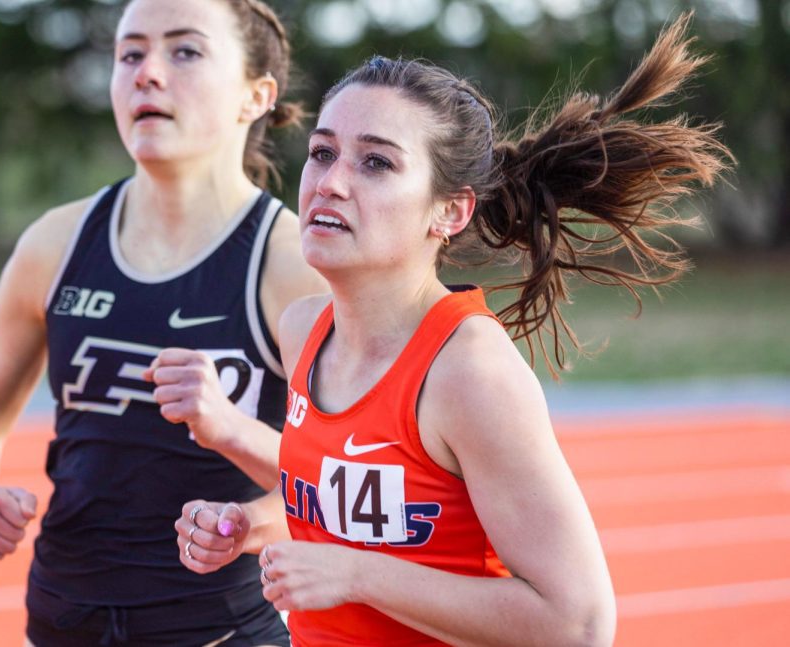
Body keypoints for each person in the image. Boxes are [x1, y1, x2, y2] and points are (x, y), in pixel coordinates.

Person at [173, 14, 732, 646]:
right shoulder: (303, 328)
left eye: (376, 163)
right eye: (323, 152)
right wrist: (247, 525)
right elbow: (346, 511)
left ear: (450, 211)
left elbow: (577, 625)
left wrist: (358, 575)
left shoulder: (468, 371)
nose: (329, 183)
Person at [0, 0, 326, 644]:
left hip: (219, 632)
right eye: (130, 53)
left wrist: (239, 495)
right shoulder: (55, 244)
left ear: (256, 95)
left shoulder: (294, 268)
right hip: (59, 622)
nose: (147, 73)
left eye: (185, 51)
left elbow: (342, 488)